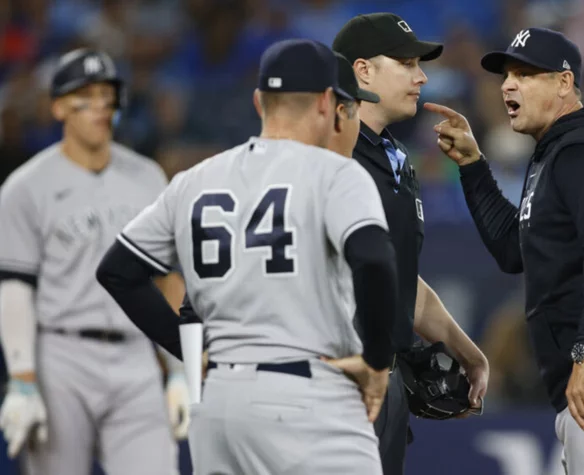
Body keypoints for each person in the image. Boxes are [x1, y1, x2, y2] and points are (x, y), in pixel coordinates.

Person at [95, 39, 399, 475]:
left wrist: (186, 351)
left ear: (259, 102)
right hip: (308, 396)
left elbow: (118, 272)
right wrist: (376, 360)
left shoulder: (194, 179)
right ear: (328, 101)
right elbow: (374, 260)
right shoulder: (336, 173)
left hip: (218, 403)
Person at [425, 27, 584, 474]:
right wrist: (473, 167)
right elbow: (513, 250)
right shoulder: (553, 155)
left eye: (525, 74)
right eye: (507, 75)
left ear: (564, 83)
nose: (508, 84)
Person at [0, 49, 189, 475]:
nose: (100, 105)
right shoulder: (24, 187)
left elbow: (167, 279)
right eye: (85, 95)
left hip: (137, 354)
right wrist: (22, 378)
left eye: (107, 94)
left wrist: (179, 369)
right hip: (61, 356)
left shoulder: (147, 177)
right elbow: (15, 288)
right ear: (58, 107)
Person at [332, 12, 490, 475]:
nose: (421, 75)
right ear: (363, 71)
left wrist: (468, 352)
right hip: (337, 379)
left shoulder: (397, 161)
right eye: (405, 63)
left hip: (385, 382)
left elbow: (401, 279)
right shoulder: (327, 155)